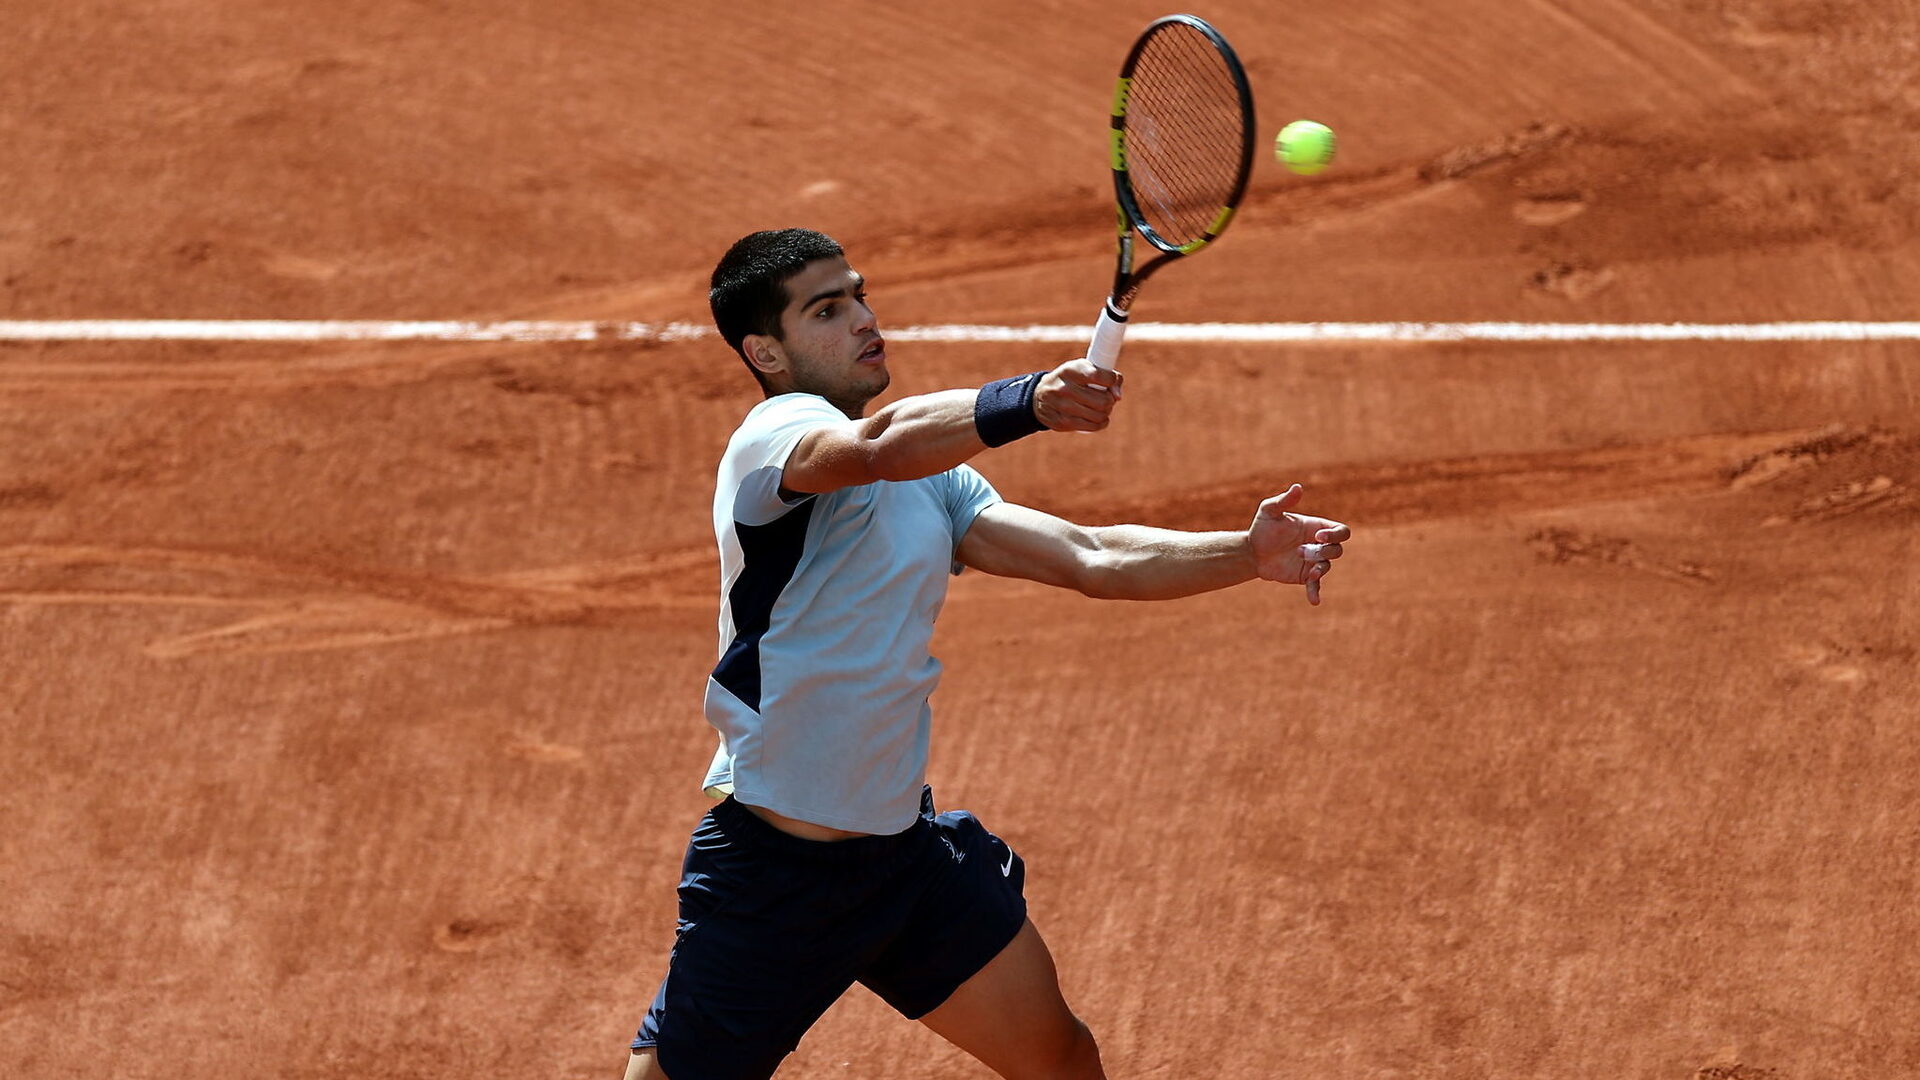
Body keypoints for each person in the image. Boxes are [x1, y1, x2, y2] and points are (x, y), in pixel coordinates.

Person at [626, 228, 1349, 1080]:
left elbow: (1089, 556)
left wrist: (1243, 554)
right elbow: (878, 445)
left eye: (858, 295)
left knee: (1062, 1060)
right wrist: (1029, 399)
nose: (862, 319)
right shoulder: (774, 439)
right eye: (825, 310)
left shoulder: (934, 478)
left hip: (902, 863)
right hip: (776, 874)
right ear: (766, 353)